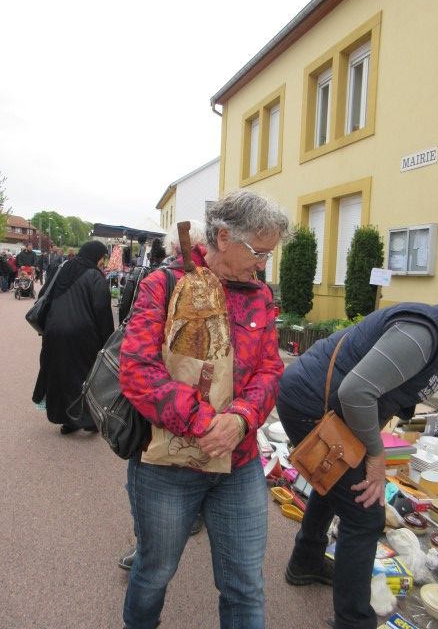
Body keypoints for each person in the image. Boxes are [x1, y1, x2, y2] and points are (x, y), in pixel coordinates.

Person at [119, 190, 289, 629]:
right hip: (168, 467)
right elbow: (137, 369)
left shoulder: (260, 294)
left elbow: (271, 368)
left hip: (240, 463)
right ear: (224, 236)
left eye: (268, 255)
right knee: (155, 571)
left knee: (245, 586)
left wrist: (242, 419)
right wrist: (204, 422)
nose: (262, 265)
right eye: (258, 252)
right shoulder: (164, 283)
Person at [276, 282, 438, 629]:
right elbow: (356, 391)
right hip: (311, 404)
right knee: (365, 514)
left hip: (327, 406)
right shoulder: (424, 334)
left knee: (337, 484)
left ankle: (305, 562)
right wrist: (375, 453)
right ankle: (353, 621)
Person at [117, 230, 204, 571]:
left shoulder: (158, 277)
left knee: (146, 466)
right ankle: (177, 526)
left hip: (159, 392)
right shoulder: (200, 281)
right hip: (193, 389)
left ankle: (146, 546)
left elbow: (127, 317)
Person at [32, 241, 114, 434]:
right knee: (85, 376)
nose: (102, 262)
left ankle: (67, 420)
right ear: (96, 256)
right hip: (83, 335)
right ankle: (88, 420)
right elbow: (101, 309)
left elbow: (44, 295)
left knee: (60, 375)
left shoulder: (62, 268)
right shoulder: (94, 275)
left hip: (54, 331)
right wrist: (108, 340)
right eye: (102, 258)